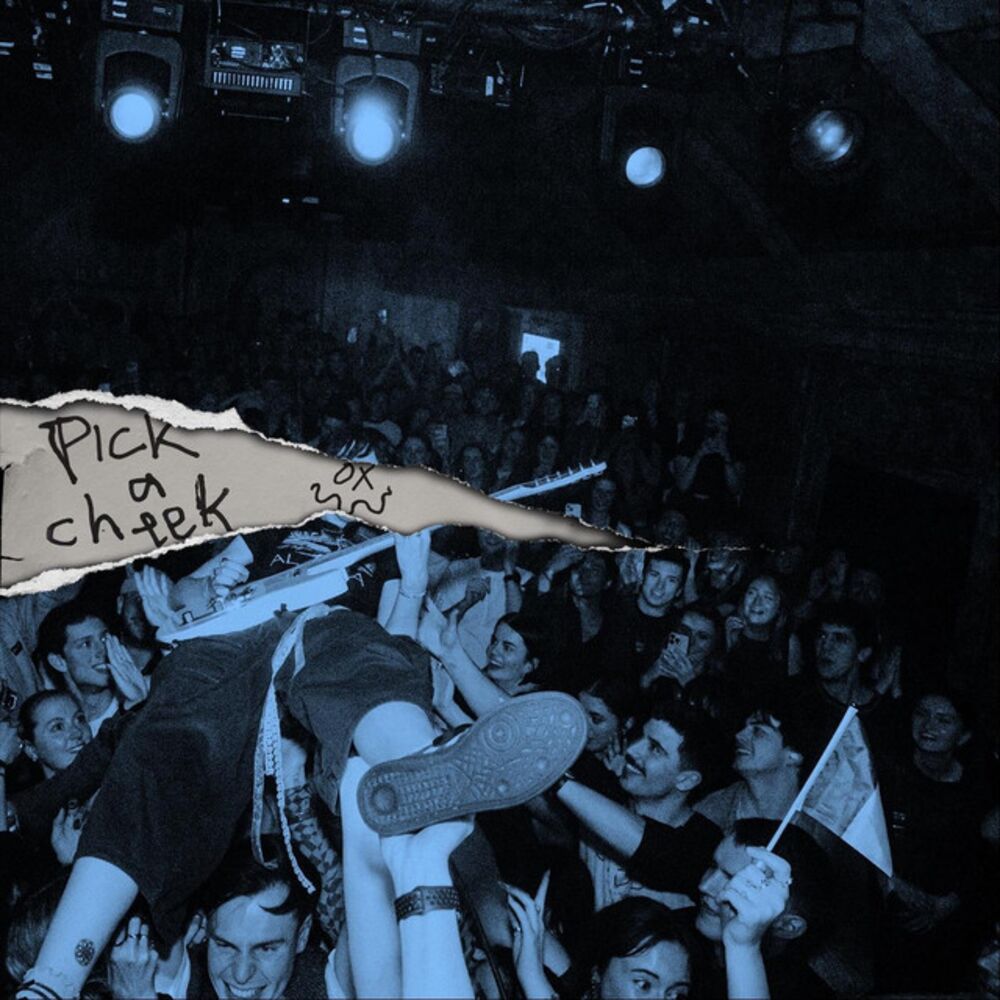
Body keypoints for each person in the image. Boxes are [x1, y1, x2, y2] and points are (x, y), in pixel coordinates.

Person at [15, 531, 587, 1000]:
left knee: (364, 663)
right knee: (164, 743)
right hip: (234, 628)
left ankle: (426, 768)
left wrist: (413, 582)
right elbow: (194, 586)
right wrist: (205, 590)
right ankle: (54, 977)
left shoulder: (384, 544)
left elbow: (393, 644)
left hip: (326, 624)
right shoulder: (281, 526)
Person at [552, 701, 723, 911]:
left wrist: (552, 777)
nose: (632, 750)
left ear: (686, 780)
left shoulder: (704, 843)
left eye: (655, 749)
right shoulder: (604, 790)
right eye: (640, 737)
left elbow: (648, 845)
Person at [875, 688, 992, 993]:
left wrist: (948, 903)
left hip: (953, 919)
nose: (929, 725)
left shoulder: (978, 788)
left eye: (943, 719)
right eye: (922, 714)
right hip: (890, 912)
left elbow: (983, 858)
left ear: (963, 736)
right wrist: (893, 884)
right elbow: (862, 837)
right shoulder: (887, 773)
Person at [695, 818, 834, 997]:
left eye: (737, 881)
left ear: (788, 926)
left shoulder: (806, 994)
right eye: (712, 866)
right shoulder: (675, 931)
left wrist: (743, 948)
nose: (705, 885)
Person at [34, 603, 148, 738]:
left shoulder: (148, 692)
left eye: (104, 638)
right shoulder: (64, 734)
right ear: (58, 662)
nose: (102, 650)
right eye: (85, 644)